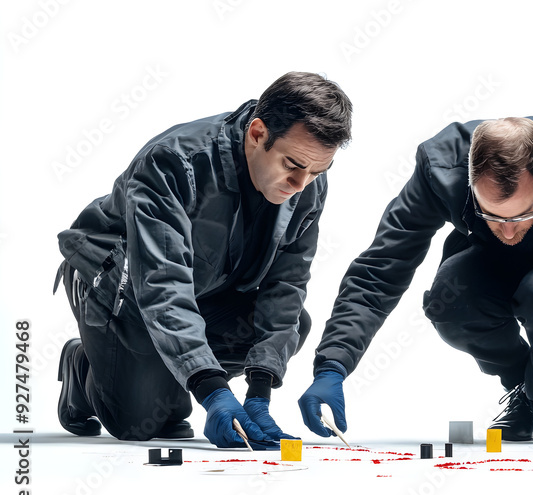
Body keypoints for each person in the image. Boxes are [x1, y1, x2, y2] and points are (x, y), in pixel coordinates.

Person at [298, 117, 533, 448]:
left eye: (523, 213)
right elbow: (382, 268)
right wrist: (333, 365)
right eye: (491, 214)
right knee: (448, 299)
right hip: (488, 264)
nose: (507, 229)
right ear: (468, 180)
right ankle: (527, 388)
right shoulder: (441, 167)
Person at [54, 72, 353, 448]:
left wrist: (259, 391)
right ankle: (83, 369)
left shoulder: (308, 181)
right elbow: (162, 285)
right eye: (292, 165)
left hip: (203, 290)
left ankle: (158, 378)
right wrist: (211, 390)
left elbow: (286, 285)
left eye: (317, 171)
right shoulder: (174, 162)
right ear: (258, 133)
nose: (301, 185)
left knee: (296, 322)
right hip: (121, 281)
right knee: (135, 425)